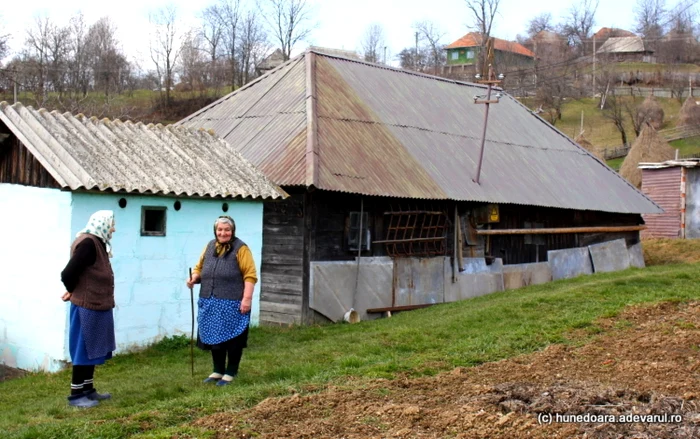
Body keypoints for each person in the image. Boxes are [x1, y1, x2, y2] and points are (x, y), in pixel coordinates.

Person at [186, 215, 256, 386]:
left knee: (232, 339)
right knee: (214, 337)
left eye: (227, 230)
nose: (223, 233)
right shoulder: (210, 246)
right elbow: (199, 267)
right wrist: (194, 278)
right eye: (220, 229)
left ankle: (230, 372)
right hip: (210, 300)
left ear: (232, 231)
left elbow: (250, 275)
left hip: (232, 302)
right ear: (215, 230)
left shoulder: (241, 249)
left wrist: (246, 299)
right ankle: (218, 371)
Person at [60, 210, 117, 408]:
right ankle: (76, 395)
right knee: (83, 349)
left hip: (97, 305)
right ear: (102, 224)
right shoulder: (87, 244)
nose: (114, 228)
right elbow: (68, 273)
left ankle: (88, 390)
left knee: (93, 349)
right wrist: (72, 290)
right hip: (87, 306)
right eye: (112, 224)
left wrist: (74, 290)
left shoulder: (96, 242)